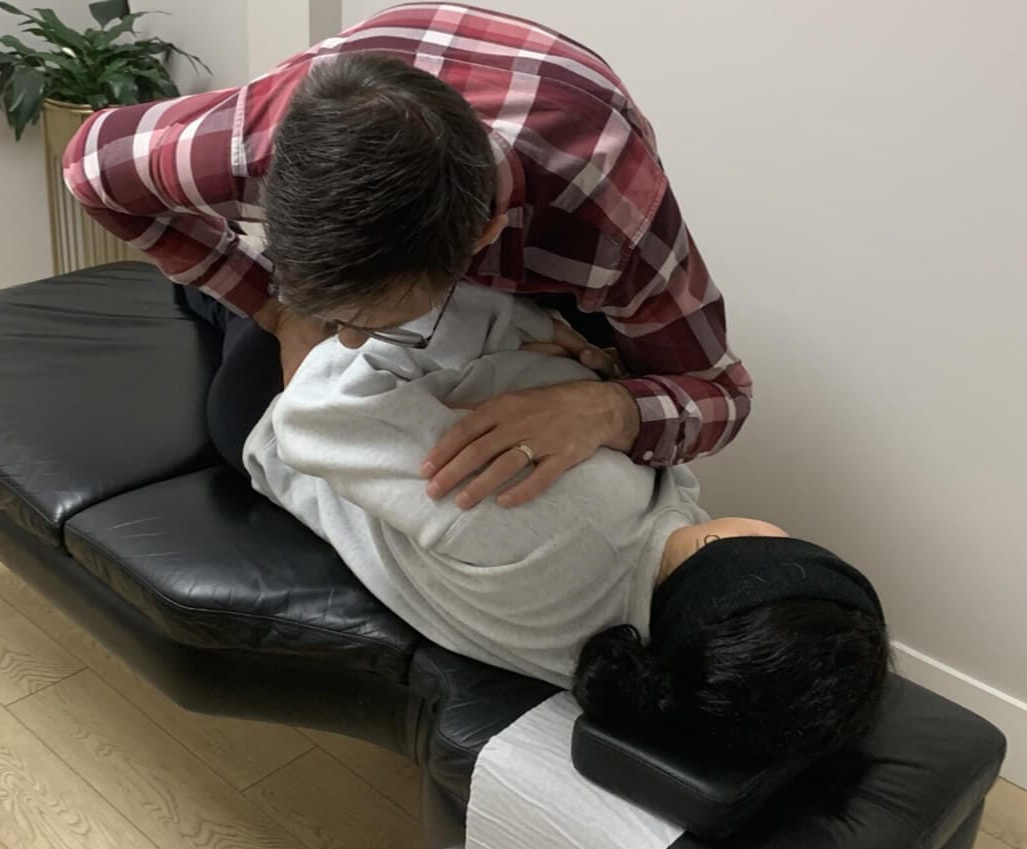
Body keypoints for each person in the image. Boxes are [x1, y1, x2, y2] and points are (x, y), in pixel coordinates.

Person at [63, 5, 753, 512]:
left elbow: (723, 394)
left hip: (547, 209)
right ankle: (233, 300)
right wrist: (277, 312)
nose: (352, 345)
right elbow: (86, 168)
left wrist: (609, 411)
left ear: (479, 247)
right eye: (341, 320)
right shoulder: (253, 142)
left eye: (376, 322)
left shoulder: (610, 216)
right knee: (243, 418)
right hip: (369, 158)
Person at [243, 283, 889, 763]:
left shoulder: (582, 515)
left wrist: (523, 336)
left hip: (276, 401)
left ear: (745, 556)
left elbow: (312, 417)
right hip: (349, 414)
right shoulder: (655, 636)